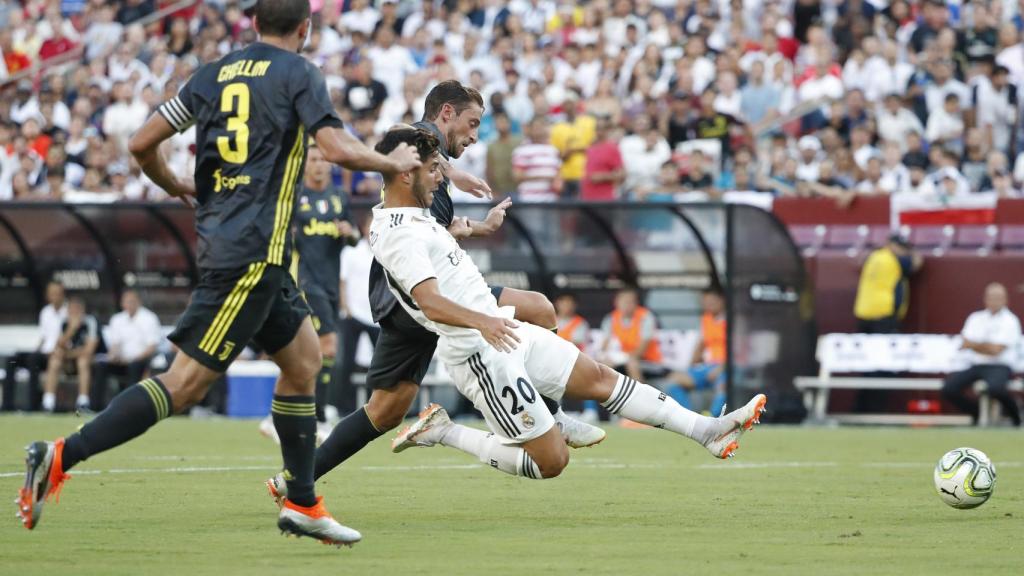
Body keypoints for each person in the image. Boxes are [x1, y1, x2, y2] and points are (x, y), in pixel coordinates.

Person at [17, 0, 421, 545]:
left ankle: (302, 501)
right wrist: (391, 163)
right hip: (250, 255)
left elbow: (140, 142)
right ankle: (61, 455)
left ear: (253, 23)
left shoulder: (211, 74)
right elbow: (334, 147)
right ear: (304, 29)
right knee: (183, 385)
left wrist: (175, 184)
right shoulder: (300, 73)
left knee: (302, 362)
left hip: (247, 252)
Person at [324, 127, 767, 483]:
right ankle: (445, 431)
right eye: (435, 169)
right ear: (406, 174)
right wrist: (484, 322)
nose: (442, 176)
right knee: (550, 462)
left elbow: (436, 248)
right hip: (480, 353)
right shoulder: (397, 229)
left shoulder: (416, 216)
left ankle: (705, 429)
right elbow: (429, 301)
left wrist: (471, 230)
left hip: (500, 329)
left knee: (597, 376)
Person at [308, 81, 604, 493]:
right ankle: (549, 415)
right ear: (445, 112)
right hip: (414, 295)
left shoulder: (434, 162)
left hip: (428, 286)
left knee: (386, 410)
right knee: (537, 308)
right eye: (471, 123)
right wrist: (452, 170)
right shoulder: (420, 144)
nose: (474, 134)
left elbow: (433, 233)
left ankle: (296, 477)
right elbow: (396, 135)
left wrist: (473, 228)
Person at [257, 142, 359, 445]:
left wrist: (349, 232)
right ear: (305, 164)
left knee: (310, 354)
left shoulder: (339, 198)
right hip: (306, 283)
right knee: (328, 346)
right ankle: (318, 416)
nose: (318, 164)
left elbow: (354, 236)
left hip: (329, 284)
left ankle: (277, 416)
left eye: (323, 159)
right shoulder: (296, 197)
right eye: (313, 159)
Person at [942, 283, 1022, 427]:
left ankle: (1016, 417)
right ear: (985, 299)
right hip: (977, 365)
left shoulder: (1010, 320)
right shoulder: (975, 318)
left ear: (1005, 300)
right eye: (992, 297)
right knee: (949, 388)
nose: (995, 301)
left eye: (998, 298)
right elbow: (965, 343)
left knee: (996, 388)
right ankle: (976, 413)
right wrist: (986, 346)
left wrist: (975, 345)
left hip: (1000, 365)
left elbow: (997, 350)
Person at [336, 213, 380, 415]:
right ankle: (340, 407)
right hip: (353, 316)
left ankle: (377, 407)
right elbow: (342, 282)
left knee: (380, 364)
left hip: (378, 318)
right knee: (346, 362)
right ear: (363, 229)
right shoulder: (350, 252)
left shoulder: (386, 253)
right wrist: (347, 309)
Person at [93, 290, 162, 411]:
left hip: (141, 361)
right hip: (121, 361)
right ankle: (95, 407)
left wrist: (132, 359)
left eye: (132, 301)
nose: (129, 304)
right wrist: (114, 356)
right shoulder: (117, 319)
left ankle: (127, 407)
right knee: (101, 366)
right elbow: (115, 344)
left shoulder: (149, 318)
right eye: (126, 301)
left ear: (139, 302)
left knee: (134, 366)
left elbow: (152, 347)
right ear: (122, 303)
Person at [3, 281, 66, 412]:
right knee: (12, 359)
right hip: (42, 353)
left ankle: (32, 405)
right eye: (52, 293)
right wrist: (36, 349)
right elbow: (43, 337)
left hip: (56, 355)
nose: (54, 296)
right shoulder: (46, 312)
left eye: (57, 293)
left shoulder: (67, 312)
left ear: (62, 294)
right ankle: (7, 405)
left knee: (33, 360)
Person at [671, 288, 728, 416]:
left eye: (712, 301)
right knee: (675, 381)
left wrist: (721, 367)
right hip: (707, 367)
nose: (708, 305)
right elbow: (700, 345)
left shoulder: (732, 319)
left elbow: (737, 349)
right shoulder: (706, 319)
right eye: (706, 302)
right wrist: (690, 367)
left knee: (723, 386)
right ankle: (688, 417)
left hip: (725, 367)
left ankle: (713, 419)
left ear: (721, 301)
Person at [853, 234, 923, 334]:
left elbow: (859, 261)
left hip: (863, 311)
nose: (903, 251)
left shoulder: (873, 256)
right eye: (900, 248)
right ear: (890, 245)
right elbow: (916, 264)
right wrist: (914, 251)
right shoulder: (895, 259)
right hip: (884, 312)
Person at [40, 297, 98, 414]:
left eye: (77, 309)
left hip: (85, 361)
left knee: (83, 361)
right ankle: (48, 402)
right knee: (54, 361)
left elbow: (89, 349)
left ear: (82, 310)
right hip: (67, 360)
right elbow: (59, 345)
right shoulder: (64, 322)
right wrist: (71, 329)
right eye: (71, 309)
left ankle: (83, 402)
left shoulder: (90, 322)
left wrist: (69, 354)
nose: (74, 312)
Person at [549, 91, 595, 199]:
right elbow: (556, 153)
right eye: (566, 103)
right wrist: (564, 154)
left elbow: (594, 147)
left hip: (584, 173)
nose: (568, 106)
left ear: (576, 104)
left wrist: (575, 149)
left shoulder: (589, 122)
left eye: (571, 103)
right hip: (566, 175)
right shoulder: (557, 128)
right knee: (567, 211)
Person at [511, 115, 562, 202]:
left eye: (543, 126)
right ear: (530, 129)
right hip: (530, 200)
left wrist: (558, 183)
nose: (540, 130)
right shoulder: (522, 150)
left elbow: (558, 174)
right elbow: (517, 176)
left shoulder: (553, 150)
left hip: (551, 200)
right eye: (537, 127)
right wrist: (544, 177)